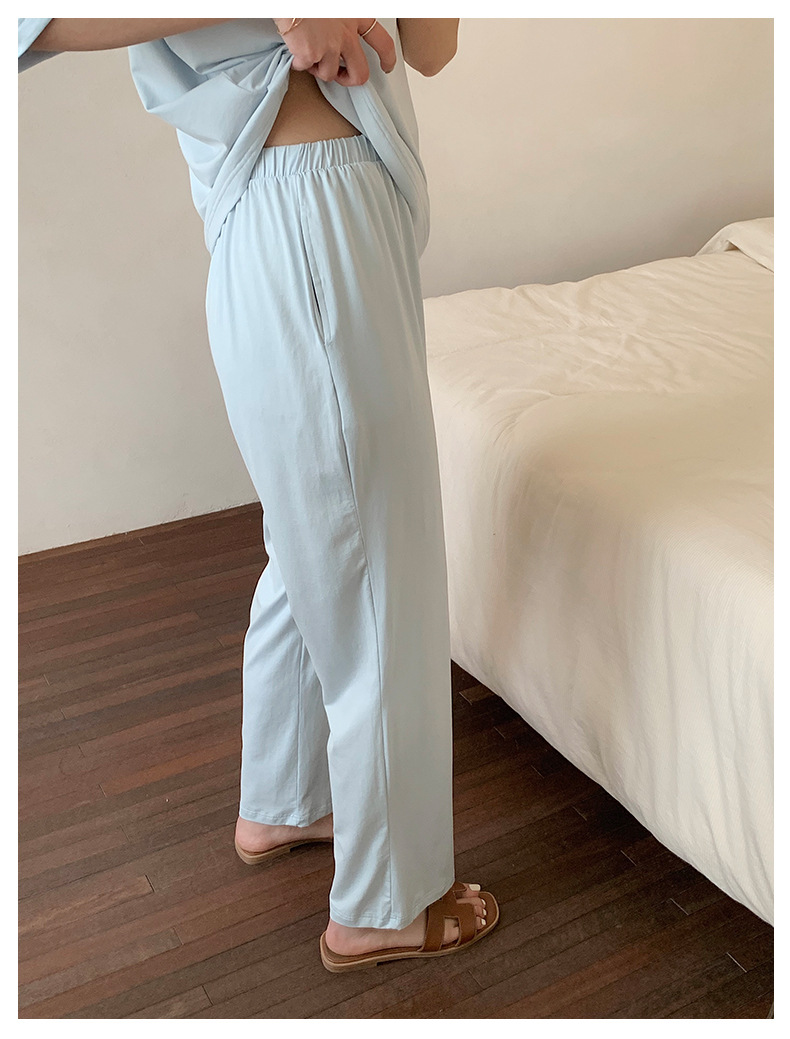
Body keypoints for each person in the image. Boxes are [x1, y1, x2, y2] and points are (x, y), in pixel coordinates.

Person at [18, 17, 499, 972]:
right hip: (308, 201)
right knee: (377, 572)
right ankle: (386, 903)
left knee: (318, 536)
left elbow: (433, 45)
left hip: (330, 197)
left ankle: (285, 799)